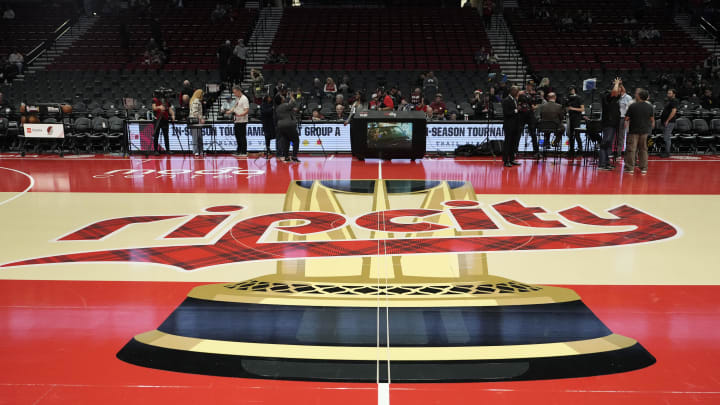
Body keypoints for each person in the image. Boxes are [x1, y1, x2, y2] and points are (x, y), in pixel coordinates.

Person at [624, 88, 654, 175]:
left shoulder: (633, 106)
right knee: (644, 150)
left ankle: (630, 168)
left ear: (639, 96)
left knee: (631, 150)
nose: (636, 95)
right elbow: (652, 119)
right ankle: (643, 168)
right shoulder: (650, 106)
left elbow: (626, 118)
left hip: (634, 131)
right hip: (645, 131)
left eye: (637, 94)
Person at [599, 78, 622, 171]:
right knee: (605, 144)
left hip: (613, 124)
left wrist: (620, 84)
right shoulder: (608, 98)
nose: (618, 92)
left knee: (608, 145)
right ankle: (602, 164)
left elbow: (620, 92)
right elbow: (615, 92)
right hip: (608, 124)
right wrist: (616, 83)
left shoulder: (613, 99)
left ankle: (606, 163)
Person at [223, 85, 249, 156]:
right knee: (237, 135)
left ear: (238, 91)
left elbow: (247, 110)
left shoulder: (244, 99)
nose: (234, 94)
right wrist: (229, 111)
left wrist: (240, 115)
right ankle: (239, 150)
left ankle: (243, 152)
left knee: (242, 136)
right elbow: (234, 107)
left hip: (242, 120)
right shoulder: (237, 98)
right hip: (237, 120)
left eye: (235, 92)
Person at [275, 94, 300, 162]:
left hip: (281, 126)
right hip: (289, 125)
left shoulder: (278, 107)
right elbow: (293, 103)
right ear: (281, 100)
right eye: (282, 96)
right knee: (296, 140)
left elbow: (290, 109)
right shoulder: (284, 105)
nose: (283, 97)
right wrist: (291, 96)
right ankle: (294, 156)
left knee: (286, 141)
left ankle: (286, 157)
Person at [501, 86, 521, 167]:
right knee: (508, 143)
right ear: (512, 91)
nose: (517, 93)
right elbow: (506, 113)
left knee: (513, 143)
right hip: (509, 125)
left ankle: (512, 159)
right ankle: (506, 161)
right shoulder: (506, 100)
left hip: (515, 125)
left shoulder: (515, 100)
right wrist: (516, 110)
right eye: (516, 91)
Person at [566, 86, 585, 158]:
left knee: (577, 134)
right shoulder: (568, 98)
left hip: (577, 118)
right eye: (570, 90)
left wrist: (572, 108)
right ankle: (571, 150)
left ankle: (580, 150)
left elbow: (582, 109)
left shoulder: (579, 98)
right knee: (570, 135)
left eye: (572, 90)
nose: (571, 91)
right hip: (570, 117)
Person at [659, 89, 678, 158]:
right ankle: (665, 151)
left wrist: (667, 120)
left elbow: (673, 111)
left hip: (669, 122)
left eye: (670, 93)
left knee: (667, 137)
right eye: (668, 93)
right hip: (665, 121)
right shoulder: (669, 101)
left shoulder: (674, 101)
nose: (668, 94)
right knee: (665, 137)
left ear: (674, 94)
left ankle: (667, 153)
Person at [617, 84, 633, 156]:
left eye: (618, 89)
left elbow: (630, 109)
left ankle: (628, 152)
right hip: (618, 118)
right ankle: (619, 153)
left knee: (627, 136)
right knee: (620, 136)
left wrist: (627, 119)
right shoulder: (617, 97)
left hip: (625, 118)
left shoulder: (628, 98)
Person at [188, 89, 205, 156]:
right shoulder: (196, 101)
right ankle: (196, 151)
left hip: (196, 121)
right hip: (195, 121)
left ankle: (200, 150)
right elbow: (195, 112)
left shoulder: (195, 100)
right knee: (196, 136)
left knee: (199, 136)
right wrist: (201, 119)